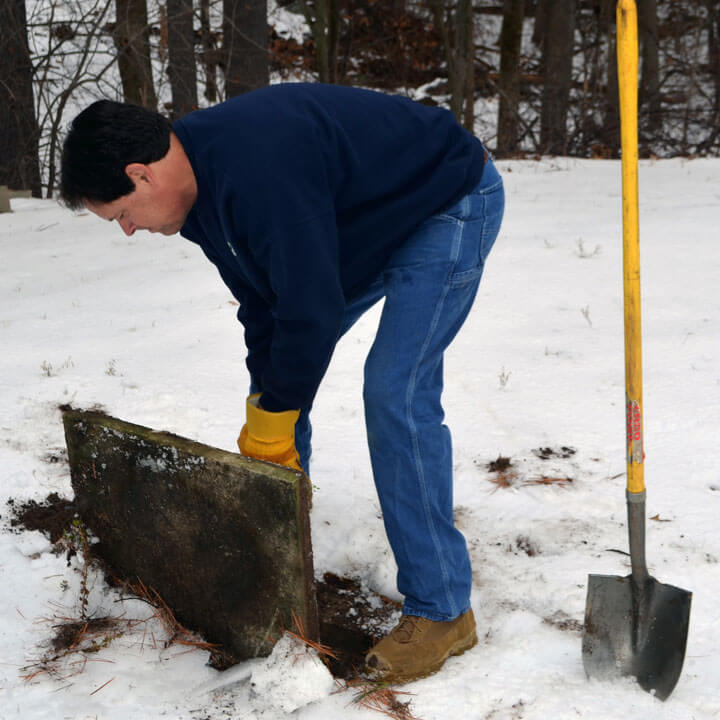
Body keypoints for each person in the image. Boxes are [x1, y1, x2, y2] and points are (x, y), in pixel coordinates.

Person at [60, 83, 505, 682]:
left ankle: (444, 610)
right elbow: (267, 303)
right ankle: (280, 555)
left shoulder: (257, 169)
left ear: (141, 176)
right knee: (281, 378)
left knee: (394, 393)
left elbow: (311, 310)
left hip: (445, 200)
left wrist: (276, 417)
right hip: (362, 219)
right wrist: (265, 408)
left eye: (121, 215)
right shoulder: (196, 196)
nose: (128, 230)